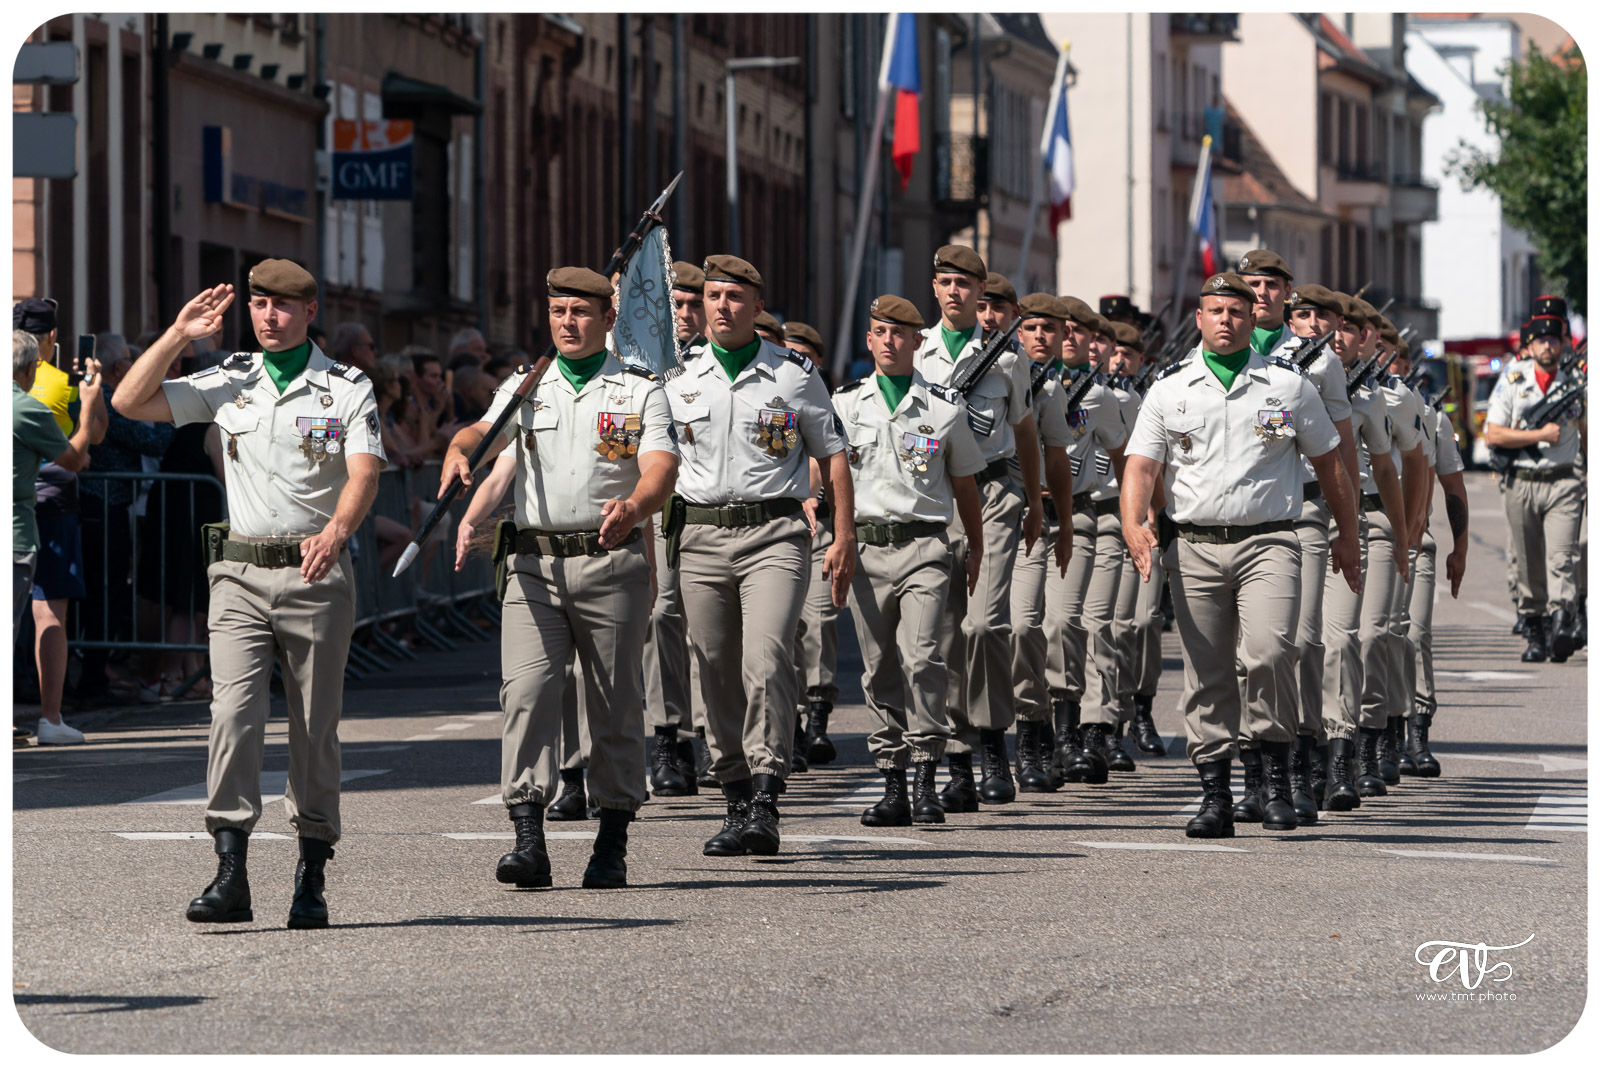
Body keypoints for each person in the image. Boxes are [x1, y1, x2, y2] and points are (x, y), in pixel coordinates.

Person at [115, 261, 385, 929]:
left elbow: (364, 473)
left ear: (310, 311)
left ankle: (311, 871)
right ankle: (230, 869)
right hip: (237, 575)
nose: (268, 316)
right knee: (232, 714)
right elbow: (129, 401)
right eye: (260, 304)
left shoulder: (346, 387)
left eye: (283, 306)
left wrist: (337, 528)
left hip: (314, 575)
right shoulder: (230, 377)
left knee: (312, 729)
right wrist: (179, 333)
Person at [441, 266, 678, 888]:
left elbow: (659, 470)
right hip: (532, 567)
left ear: (606, 319)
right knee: (525, 693)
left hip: (610, 562)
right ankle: (528, 837)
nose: (566, 323)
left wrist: (635, 506)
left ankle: (612, 839)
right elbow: (483, 434)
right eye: (557, 312)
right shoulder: (528, 386)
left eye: (579, 312)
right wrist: (459, 447)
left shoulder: (639, 390)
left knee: (615, 704)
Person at [1121, 272, 1360, 838]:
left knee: (1272, 654)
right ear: (1198, 319)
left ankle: (1274, 781)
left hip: (1271, 540)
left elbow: (1330, 464)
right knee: (1208, 674)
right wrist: (1134, 522)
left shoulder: (1288, 386)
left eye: (1236, 311)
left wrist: (1348, 535)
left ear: (1253, 319)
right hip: (1196, 547)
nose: (1225, 320)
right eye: (1214, 311)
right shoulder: (1169, 388)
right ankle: (1216, 797)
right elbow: (1141, 466)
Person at [662, 253, 853, 857]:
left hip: (775, 535)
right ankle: (735, 797)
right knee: (713, 671)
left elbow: (833, 454)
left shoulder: (793, 374)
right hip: (699, 537)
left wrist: (843, 535)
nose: (721, 307)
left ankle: (767, 798)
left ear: (757, 306)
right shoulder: (675, 374)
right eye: (713, 296)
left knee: (767, 658)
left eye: (734, 297)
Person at [834, 294, 985, 823]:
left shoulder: (945, 409)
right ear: (870, 339)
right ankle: (892, 781)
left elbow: (965, 486)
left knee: (923, 657)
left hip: (926, 547)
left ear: (918, 342)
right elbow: (830, 478)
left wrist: (977, 545)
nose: (891, 341)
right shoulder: (846, 405)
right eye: (881, 332)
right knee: (878, 670)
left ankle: (925, 775)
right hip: (868, 549)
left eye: (901, 333)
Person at [913, 246, 1050, 810]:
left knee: (984, 625)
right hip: (931, 494)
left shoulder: (1009, 359)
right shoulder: (914, 350)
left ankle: (993, 739)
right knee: (939, 635)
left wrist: (1036, 503)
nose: (953, 292)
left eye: (963, 284)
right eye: (944, 281)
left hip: (993, 494)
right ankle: (958, 757)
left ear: (978, 291)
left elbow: (1024, 435)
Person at [14, 299, 108, 744]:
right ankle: (50, 716)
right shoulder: (59, 381)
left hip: (20, 507)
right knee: (49, 612)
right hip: (51, 505)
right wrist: (92, 395)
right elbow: (93, 440)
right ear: (51, 339)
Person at [1043, 299, 1123, 785]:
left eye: (1079, 331)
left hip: (1086, 517)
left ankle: (1081, 731)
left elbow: (1129, 458)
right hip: (1025, 517)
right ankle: (1036, 735)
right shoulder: (1025, 383)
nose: (1070, 338)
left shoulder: (1103, 397)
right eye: (1063, 329)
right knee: (1024, 630)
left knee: (1073, 624)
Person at [1000, 290, 1074, 790]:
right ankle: (976, 747)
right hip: (972, 515)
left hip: (1033, 519)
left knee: (1025, 625)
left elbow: (1059, 458)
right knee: (971, 634)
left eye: (1049, 328)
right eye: (1032, 328)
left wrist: (1065, 522)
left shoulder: (1050, 390)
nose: (1040, 336)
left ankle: (1031, 728)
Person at [642, 260, 710, 795]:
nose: (686, 315)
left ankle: (713, 731)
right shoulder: (638, 366)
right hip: (662, 511)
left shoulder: (723, 364)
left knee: (712, 629)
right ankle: (669, 736)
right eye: (677, 304)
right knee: (664, 615)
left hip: (713, 513)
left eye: (695, 304)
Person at [1484, 311, 1585, 662]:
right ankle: (1536, 631)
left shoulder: (1575, 383)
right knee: (1527, 562)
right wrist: (1539, 435)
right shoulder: (1512, 380)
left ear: (1562, 344)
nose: (1547, 345)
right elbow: (1493, 433)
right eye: (1541, 340)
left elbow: (1587, 432)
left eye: (1554, 339)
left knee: (1563, 557)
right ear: (1530, 346)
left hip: (1563, 481)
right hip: (1522, 481)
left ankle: (1561, 623)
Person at [781, 319, 844, 767]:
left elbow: (827, 459)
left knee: (818, 620)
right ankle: (793, 722)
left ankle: (817, 716)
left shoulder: (832, 404)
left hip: (818, 526)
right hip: (781, 527)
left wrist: (815, 496)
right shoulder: (774, 399)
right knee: (786, 630)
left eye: (803, 355)